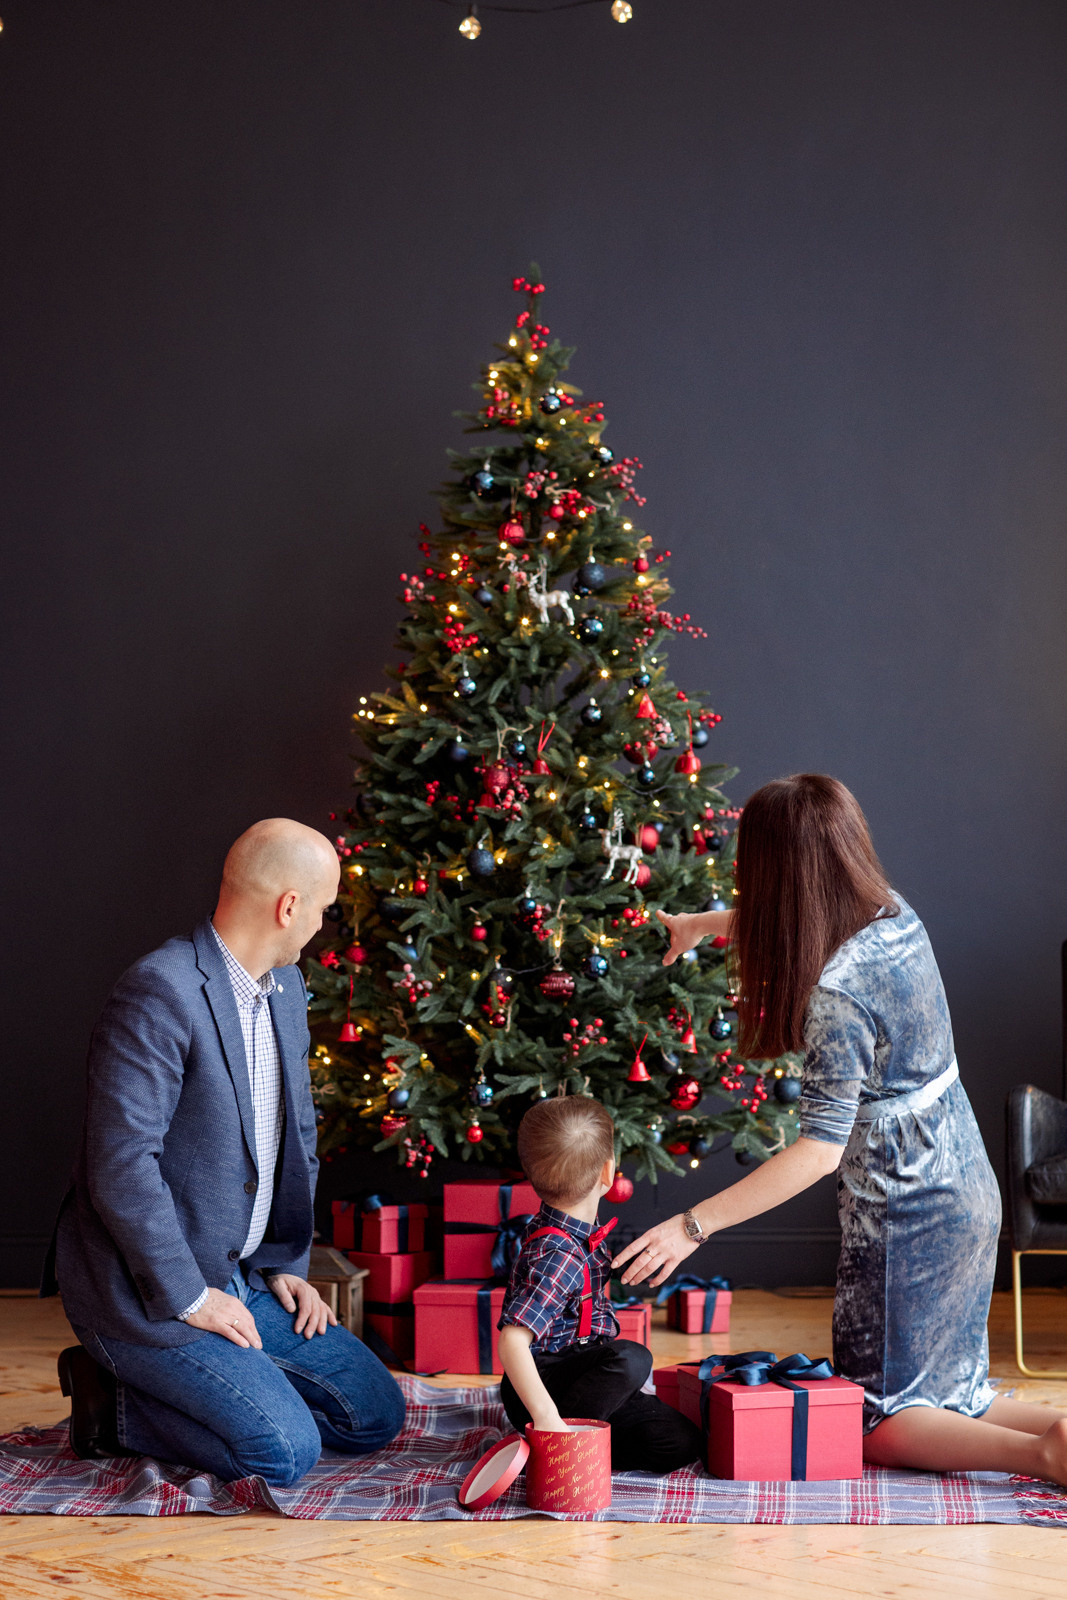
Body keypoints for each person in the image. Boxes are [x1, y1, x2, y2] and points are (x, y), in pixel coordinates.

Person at [615, 773, 1067, 1486]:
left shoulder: (836, 995)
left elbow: (817, 1152)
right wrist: (702, 926)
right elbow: (798, 915)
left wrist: (690, 1227)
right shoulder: (891, 914)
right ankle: (1059, 1432)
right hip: (966, 1190)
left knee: (874, 1418)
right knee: (951, 1399)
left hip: (907, 1211)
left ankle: (1043, 1457)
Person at [43, 818, 406, 1486]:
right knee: (281, 1453)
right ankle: (111, 1399)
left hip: (240, 1269)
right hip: (146, 1290)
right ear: (288, 905)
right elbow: (119, 1168)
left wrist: (284, 1261)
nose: (323, 925)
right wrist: (192, 1299)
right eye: (323, 909)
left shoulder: (285, 988)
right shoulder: (158, 991)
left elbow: (292, 1138)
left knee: (374, 1415)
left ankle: (228, 1385)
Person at [498, 1095, 703, 1472]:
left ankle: (582, 1442)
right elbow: (512, 1340)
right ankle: (552, 1439)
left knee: (680, 1443)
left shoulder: (579, 1233)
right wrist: (545, 1415)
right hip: (544, 1383)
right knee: (634, 1358)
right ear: (608, 1174)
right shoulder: (557, 1253)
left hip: (583, 1376)